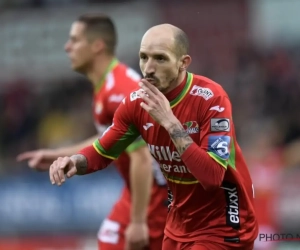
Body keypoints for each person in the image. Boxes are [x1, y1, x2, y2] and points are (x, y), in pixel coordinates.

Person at [49, 23, 259, 250]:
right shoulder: (135, 102)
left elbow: (212, 176)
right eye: (144, 57)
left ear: (183, 63)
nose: (148, 68)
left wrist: (170, 122)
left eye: (160, 58)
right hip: (179, 225)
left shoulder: (211, 99)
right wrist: (75, 161)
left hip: (224, 224)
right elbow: (103, 150)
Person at [17, 14, 168, 250]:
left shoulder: (119, 91)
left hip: (156, 196)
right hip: (139, 193)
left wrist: (138, 222)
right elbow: (111, 138)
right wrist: (59, 155)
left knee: (110, 242)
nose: (67, 47)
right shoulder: (109, 85)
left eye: (75, 40)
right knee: (106, 241)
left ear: (97, 46)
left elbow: (141, 157)